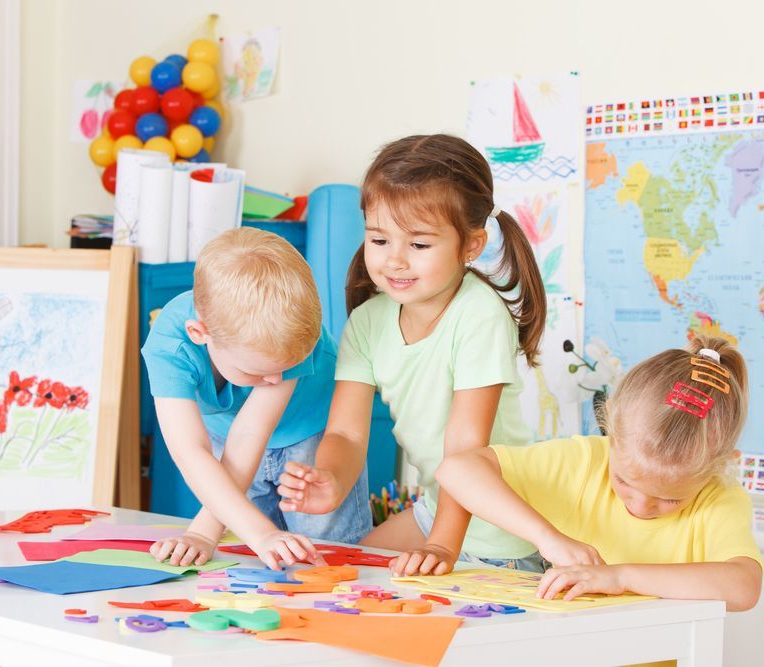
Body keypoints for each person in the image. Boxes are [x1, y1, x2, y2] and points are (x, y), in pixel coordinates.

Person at [277, 134, 547, 575]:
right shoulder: (366, 322)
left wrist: (442, 546)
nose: (395, 261)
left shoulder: (480, 313)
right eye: (379, 240)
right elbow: (345, 436)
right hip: (437, 509)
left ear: (472, 246)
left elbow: (466, 450)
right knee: (340, 573)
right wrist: (331, 481)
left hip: (501, 530)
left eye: (419, 245)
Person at [437, 336, 763, 611]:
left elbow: (745, 586)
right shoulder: (586, 461)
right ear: (609, 429)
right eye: (624, 481)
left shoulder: (720, 497)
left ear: (718, 467)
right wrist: (546, 538)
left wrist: (621, 577)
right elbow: (457, 469)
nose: (640, 506)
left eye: (669, 499)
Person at [141, 227, 371, 568]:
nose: (275, 380)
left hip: (310, 433)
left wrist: (216, 531)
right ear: (199, 334)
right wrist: (207, 533)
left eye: (285, 367)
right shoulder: (168, 348)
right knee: (250, 548)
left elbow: (252, 433)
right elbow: (190, 451)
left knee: (327, 550)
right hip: (227, 438)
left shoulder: (287, 326)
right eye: (257, 371)